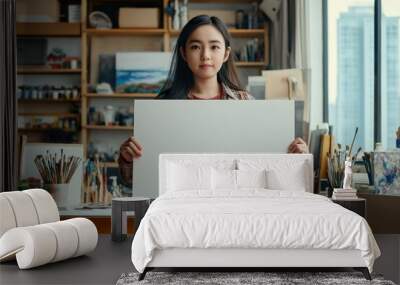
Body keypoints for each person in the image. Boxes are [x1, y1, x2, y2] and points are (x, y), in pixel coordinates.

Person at [118, 15, 308, 184]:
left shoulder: (245, 103)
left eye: (214, 46)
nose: (205, 55)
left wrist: (297, 158)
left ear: (225, 53)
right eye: (195, 47)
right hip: (178, 211)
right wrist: (128, 159)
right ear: (184, 53)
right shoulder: (162, 108)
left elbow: (263, 169)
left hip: (231, 208)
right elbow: (134, 181)